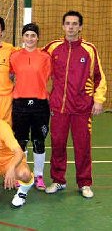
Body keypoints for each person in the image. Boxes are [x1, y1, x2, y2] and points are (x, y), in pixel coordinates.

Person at [43, 11, 107, 198]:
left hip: (81, 108)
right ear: (63, 26)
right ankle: (58, 180)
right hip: (58, 108)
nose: (71, 27)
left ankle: (84, 183)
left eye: (74, 24)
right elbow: (36, 65)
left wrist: (98, 99)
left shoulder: (89, 49)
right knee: (57, 144)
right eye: (67, 23)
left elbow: (99, 77)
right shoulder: (52, 47)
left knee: (83, 146)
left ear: (80, 27)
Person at [9, 23, 51, 190]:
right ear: (23, 37)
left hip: (40, 104)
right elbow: (11, 75)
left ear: (37, 37)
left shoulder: (45, 57)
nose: (30, 38)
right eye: (27, 35)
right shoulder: (14, 56)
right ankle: (22, 173)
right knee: (21, 141)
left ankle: (39, 175)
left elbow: (48, 77)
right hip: (20, 104)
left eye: (33, 35)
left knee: (38, 141)